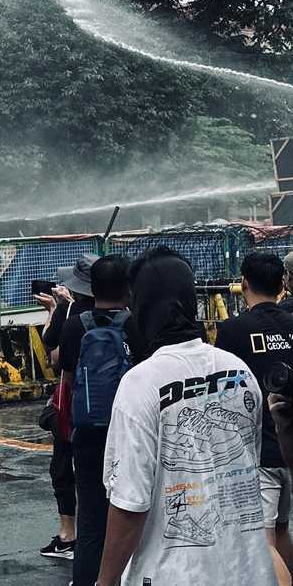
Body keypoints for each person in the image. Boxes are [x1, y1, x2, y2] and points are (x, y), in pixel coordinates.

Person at [95, 246, 274, 586]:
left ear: (141, 308)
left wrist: (105, 580)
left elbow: (130, 505)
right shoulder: (239, 371)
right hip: (250, 569)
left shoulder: (140, 384)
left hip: (176, 575)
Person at [215, 250, 293, 579]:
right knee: (283, 529)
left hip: (259, 451)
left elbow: (222, 392)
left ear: (243, 283)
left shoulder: (232, 330)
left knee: (264, 541)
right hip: (291, 444)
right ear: (282, 284)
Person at [59, 254, 131, 586]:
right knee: (131, 512)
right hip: (129, 433)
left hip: (87, 435)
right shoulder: (136, 324)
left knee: (90, 522)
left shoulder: (76, 325)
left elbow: (70, 379)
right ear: (128, 287)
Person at [37, 256, 97, 561]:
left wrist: (56, 311)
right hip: (108, 406)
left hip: (74, 406)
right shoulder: (121, 316)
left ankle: (68, 536)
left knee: (63, 469)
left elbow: (56, 357)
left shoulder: (73, 316)